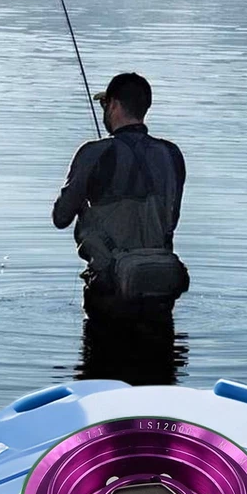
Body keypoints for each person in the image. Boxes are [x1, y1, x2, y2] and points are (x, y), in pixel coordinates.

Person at [52, 72, 188, 319]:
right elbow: (172, 221)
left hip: (110, 294)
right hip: (161, 290)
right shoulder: (172, 154)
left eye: (104, 104)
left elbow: (61, 217)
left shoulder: (93, 153)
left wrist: (85, 199)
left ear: (113, 104)